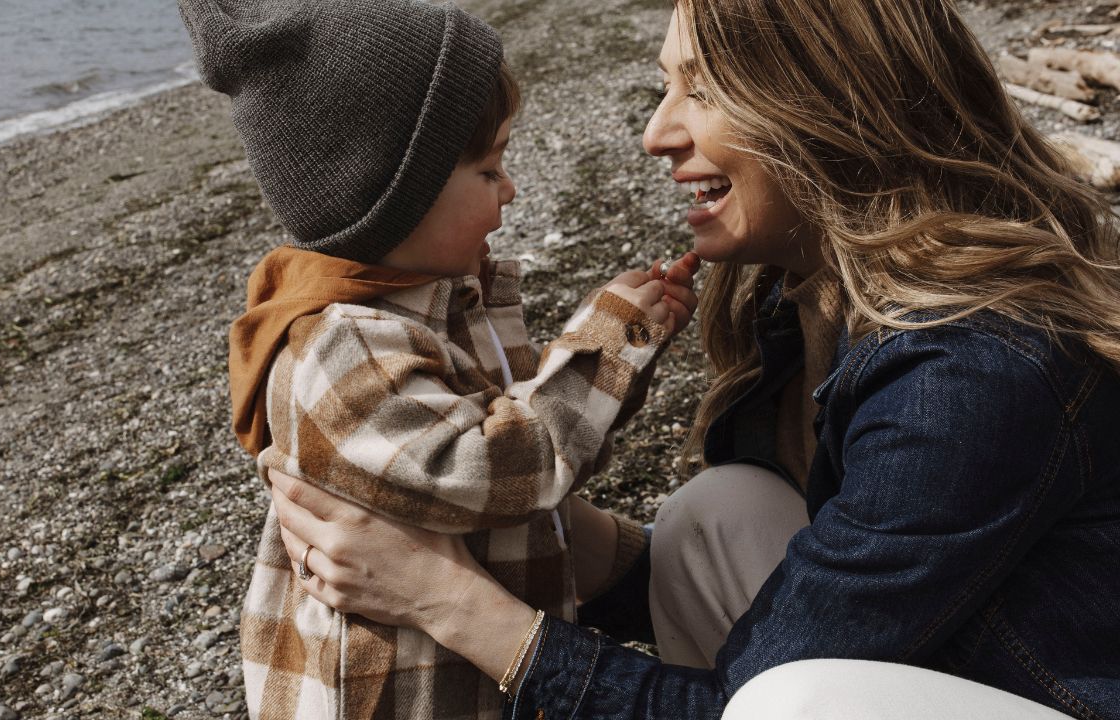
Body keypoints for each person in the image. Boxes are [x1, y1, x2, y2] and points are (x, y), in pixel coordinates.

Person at [265, 0, 1120, 718]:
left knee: (786, 705)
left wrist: (445, 602)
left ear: (829, 107)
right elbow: (826, 599)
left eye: (700, 91)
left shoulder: (968, 374)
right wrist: (571, 549)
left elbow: (741, 704)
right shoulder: (810, 298)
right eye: (663, 87)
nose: (653, 133)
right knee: (718, 511)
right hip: (946, 672)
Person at [178, 0, 699, 717]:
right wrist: (611, 342)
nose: (510, 190)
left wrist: (626, 349)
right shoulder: (341, 347)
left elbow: (544, 449)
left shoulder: (440, 304)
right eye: (489, 170)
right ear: (393, 198)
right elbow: (496, 472)